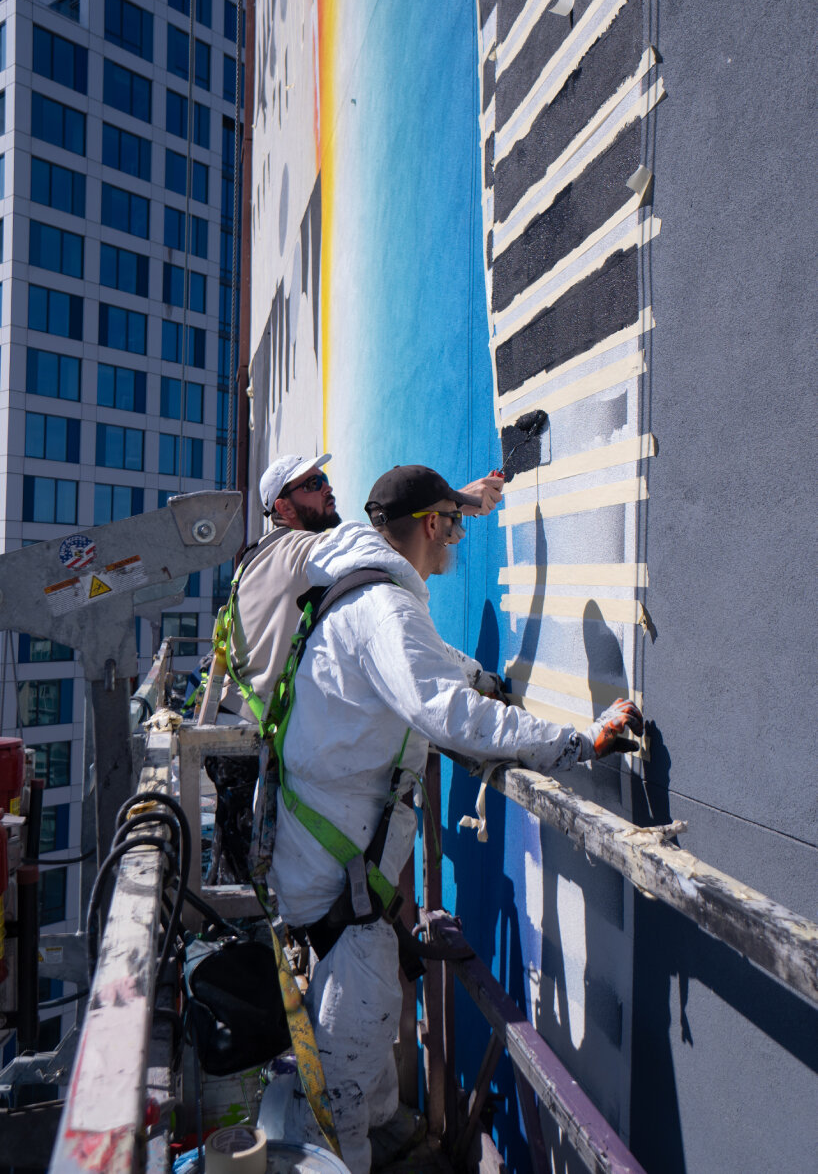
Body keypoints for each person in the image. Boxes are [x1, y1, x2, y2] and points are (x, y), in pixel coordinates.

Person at [271, 464, 643, 1170]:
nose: (459, 538)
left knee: (365, 1076)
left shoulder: (362, 589)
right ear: (432, 525)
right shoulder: (383, 606)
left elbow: (430, 666)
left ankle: (386, 1136)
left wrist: (483, 679)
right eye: (456, 522)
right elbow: (441, 711)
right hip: (344, 910)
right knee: (341, 1109)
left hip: (330, 889)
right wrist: (574, 742)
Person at [223, 453, 505, 718]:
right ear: (283, 507)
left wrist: (446, 507)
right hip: (259, 732)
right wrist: (451, 505)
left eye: (324, 478)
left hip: (255, 722)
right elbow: (391, 539)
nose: (326, 488)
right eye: (312, 484)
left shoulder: (266, 554)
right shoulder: (291, 552)